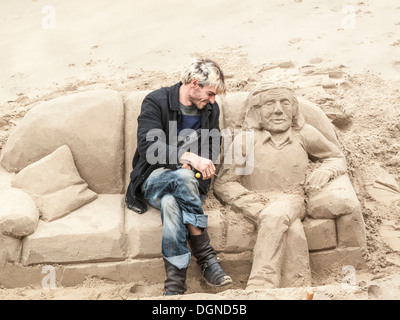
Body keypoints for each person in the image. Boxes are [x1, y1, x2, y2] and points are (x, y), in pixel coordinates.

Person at [214, 83, 347, 289]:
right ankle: (297, 285)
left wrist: (326, 170)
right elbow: (225, 183)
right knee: (290, 228)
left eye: (285, 102)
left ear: (294, 109)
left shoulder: (305, 134)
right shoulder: (244, 140)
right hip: (258, 201)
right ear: (257, 111)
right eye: (269, 103)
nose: (278, 110)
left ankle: (260, 285)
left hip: (293, 198)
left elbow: (336, 157)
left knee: (276, 215)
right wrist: (255, 206)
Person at [125, 57, 232, 295]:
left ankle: (174, 285)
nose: (213, 100)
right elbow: (149, 148)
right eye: (211, 93)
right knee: (182, 179)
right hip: (154, 178)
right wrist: (190, 159)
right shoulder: (156, 101)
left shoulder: (210, 108)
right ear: (194, 83)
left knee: (171, 203)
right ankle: (206, 258)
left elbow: (213, 144)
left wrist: (194, 168)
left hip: (191, 181)